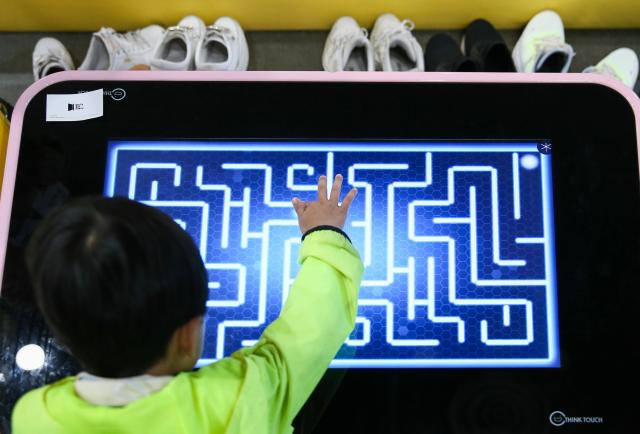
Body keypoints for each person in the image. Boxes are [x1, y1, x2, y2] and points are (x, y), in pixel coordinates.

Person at [11, 174, 363, 434]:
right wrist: (323, 234)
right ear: (187, 336)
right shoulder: (232, 400)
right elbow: (306, 335)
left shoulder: (32, 415)